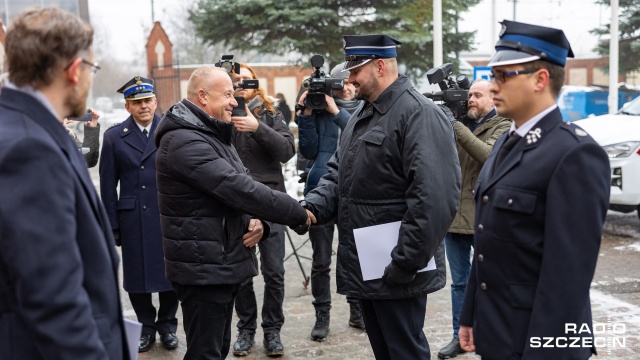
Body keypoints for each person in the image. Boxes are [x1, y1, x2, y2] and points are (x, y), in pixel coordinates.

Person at [297, 34, 461, 359]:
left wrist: (404, 263)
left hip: (397, 269)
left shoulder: (419, 113)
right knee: (386, 351)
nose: (350, 78)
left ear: (380, 66)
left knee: (405, 352)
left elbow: (434, 200)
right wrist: (309, 209)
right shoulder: (362, 113)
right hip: (369, 267)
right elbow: (337, 173)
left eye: (355, 70)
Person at [458, 20, 610, 359]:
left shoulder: (574, 154)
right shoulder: (504, 143)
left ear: (540, 79)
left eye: (502, 76)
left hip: (537, 341)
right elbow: (487, 242)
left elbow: (567, 279)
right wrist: (470, 315)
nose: (493, 86)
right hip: (496, 331)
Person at [154, 66, 314, 360]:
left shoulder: (210, 132)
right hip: (203, 269)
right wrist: (297, 212)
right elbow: (238, 187)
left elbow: (233, 190)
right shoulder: (184, 141)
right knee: (206, 353)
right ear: (202, 96)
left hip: (218, 262)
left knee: (216, 350)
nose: (233, 100)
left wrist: (258, 221)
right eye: (227, 93)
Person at [0, 7, 129, 359]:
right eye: (91, 68)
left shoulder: (25, 125)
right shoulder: (29, 147)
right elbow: (52, 297)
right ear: (75, 70)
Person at [99, 76, 180, 353]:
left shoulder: (171, 131)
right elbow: (108, 186)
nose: (143, 106)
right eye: (137, 103)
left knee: (172, 274)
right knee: (137, 277)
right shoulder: (113, 137)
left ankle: (168, 325)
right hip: (133, 217)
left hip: (167, 213)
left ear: (156, 102)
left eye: (147, 101)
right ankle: (146, 327)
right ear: (127, 107)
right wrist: (111, 225)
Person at [437, 79, 511, 359]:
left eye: (478, 95)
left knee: (489, 280)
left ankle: (491, 333)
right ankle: (460, 336)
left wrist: (454, 126)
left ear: (493, 99)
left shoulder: (503, 125)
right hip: (454, 215)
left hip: (484, 218)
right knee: (459, 283)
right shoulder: (460, 122)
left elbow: (488, 155)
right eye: (469, 95)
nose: (471, 100)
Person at [229, 63, 296, 357]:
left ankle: (272, 330)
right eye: (235, 81)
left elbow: (286, 151)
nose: (241, 85)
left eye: (246, 80)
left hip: (270, 201)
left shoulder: (270, 113)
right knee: (242, 274)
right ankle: (246, 329)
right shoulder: (222, 114)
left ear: (256, 83)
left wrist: (258, 128)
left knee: (275, 272)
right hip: (236, 203)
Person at [295, 61, 364, 341]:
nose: (346, 87)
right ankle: (321, 313)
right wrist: (308, 114)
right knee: (321, 261)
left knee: (354, 257)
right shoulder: (320, 110)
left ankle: (356, 308)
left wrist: (336, 113)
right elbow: (309, 150)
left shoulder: (365, 109)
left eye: (350, 82)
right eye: (340, 83)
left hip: (355, 192)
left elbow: (360, 138)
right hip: (320, 190)